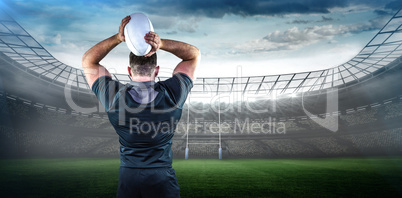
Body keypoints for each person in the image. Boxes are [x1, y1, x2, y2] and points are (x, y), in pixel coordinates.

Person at [82, 15, 200, 198]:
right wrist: (160, 44)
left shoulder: (114, 97)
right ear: (157, 70)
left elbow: (88, 61)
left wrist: (118, 38)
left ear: (129, 71)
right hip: (162, 178)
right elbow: (193, 55)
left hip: (129, 178)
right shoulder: (172, 93)